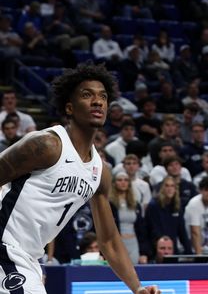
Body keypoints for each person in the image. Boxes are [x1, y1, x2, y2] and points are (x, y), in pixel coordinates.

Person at [0, 63, 160, 293]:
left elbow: (110, 241)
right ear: (69, 108)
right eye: (87, 95)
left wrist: (137, 287)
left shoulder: (100, 171)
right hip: (5, 248)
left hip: (28, 257)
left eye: (103, 97)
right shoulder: (47, 145)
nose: (98, 102)